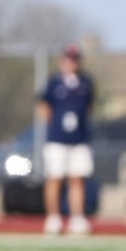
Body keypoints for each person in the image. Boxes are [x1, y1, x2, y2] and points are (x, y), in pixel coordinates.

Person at [38, 43, 95, 236]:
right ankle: (53, 217)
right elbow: (44, 107)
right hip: (57, 139)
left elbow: (89, 107)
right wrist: (55, 125)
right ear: (62, 60)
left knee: (77, 178)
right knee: (55, 177)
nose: (71, 62)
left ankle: (77, 217)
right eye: (68, 59)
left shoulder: (86, 83)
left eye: (75, 59)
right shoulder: (54, 83)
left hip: (79, 139)